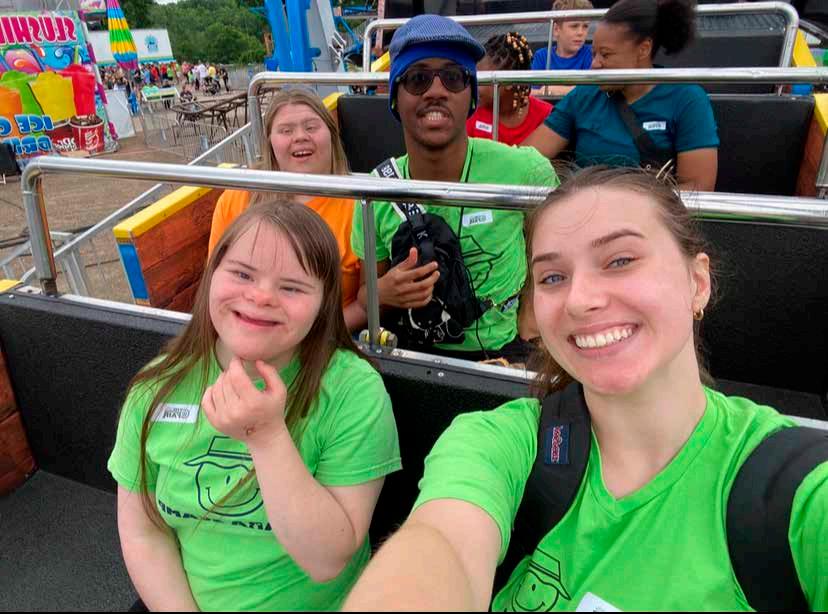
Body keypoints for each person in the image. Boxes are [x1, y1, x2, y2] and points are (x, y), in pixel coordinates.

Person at [343, 166, 828, 611]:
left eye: (619, 260)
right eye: (553, 276)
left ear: (697, 282)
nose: (580, 299)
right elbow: (441, 542)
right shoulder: (498, 443)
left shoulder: (802, 493)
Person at [109, 201, 402, 612]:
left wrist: (266, 437)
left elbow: (327, 560)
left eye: (292, 287)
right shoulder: (156, 388)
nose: (261, 296)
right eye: (243, 274)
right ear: (212, 275)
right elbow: (144, 533)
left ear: (324, 303)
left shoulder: (354, 392)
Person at [351, 14, 559, 363]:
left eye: (453, 77)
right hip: (413, 357)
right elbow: (364, 296)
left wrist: (531, 320)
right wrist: (383, 294)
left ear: (472, 96)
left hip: (507, 353)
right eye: (417, 79)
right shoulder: (375, 193)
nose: (436, 91)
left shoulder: (526, 171)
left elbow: (560, 259)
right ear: (395, 98)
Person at [208, 88, 366, 332]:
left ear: (331, 135)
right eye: (286, 130)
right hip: (244, 333)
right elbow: (214, 285)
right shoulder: (236, 198)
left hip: (329, 337)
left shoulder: (361, 207)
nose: (300, 136)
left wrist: (311, 340)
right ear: (270, 142)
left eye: (311, 127)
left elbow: (367, 304)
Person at [524, 0, 719, 192]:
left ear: (643, 49)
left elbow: (698, 188)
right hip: (583, 207)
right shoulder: (584, 95)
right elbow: (528, 159)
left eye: (605, 55)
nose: (594, 65)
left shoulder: (687, 99)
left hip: (650, 211)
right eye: (594, 54)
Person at [466, 32, 554, 146]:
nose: (474, 84)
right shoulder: (470, 113)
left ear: (508, 81)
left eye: (482, 78)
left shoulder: (547, 116)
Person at [531, 0, 594, 96]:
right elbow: (531, 93)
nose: (581, 32)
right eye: (574, 26)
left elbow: (591, 91)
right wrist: (574, 90)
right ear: (556, 29)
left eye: (585, 26)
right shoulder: (542, 56)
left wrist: (550, 90)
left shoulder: (591, 53)